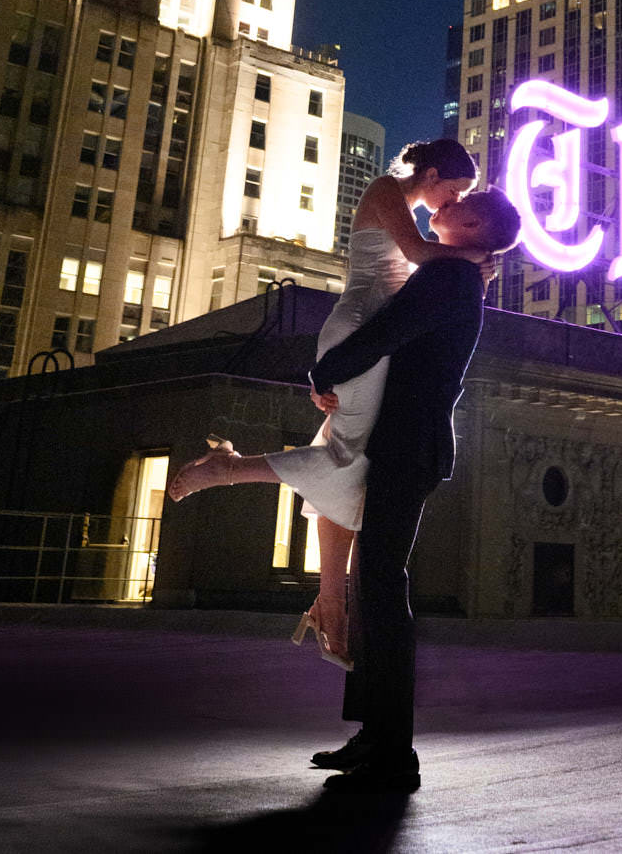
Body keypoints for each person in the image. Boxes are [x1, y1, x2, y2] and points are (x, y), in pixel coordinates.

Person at [166, 138, 484, 665]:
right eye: (452, 190)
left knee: (348, 458)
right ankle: (227, 469)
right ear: (430, 174)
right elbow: (419, 255)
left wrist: (469, 268)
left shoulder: (408, 208)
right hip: (359, 334)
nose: (451, 203)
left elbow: (426, 278)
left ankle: (330, 602)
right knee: (346, 456)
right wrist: (471, 255)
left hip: (367, 337)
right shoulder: (387, 191)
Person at [310, 185, 521, 795]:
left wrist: (324, 371)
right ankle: (375, 736)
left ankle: (393, 750)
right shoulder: (456, 274)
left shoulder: (451, 278)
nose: (445, 203)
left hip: (409, 444)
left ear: (472, 223)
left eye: (460, 202)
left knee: (380, 584)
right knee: (372, 582)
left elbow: (386, 333)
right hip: (406, 442)